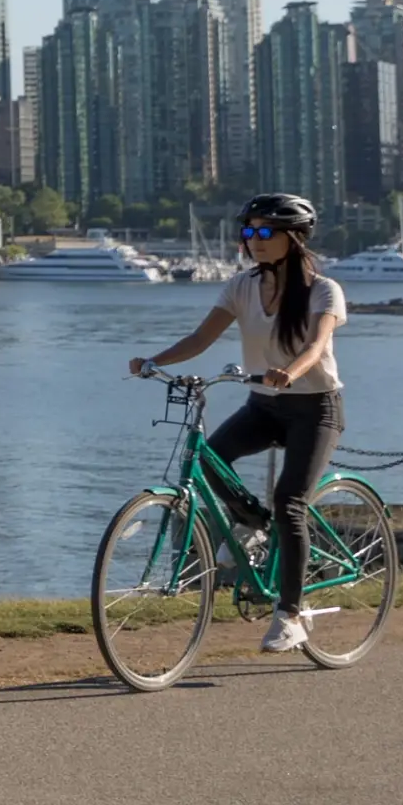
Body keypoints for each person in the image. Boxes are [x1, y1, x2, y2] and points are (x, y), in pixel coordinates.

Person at [130, 191, 344, 653]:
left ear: (295, 237)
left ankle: (290, 615)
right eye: (249, 231)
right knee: (209, 460)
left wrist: (291, 372)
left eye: (266, 232)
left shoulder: (323, 290)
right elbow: (201, 338)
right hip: (263, 406)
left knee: (290, 501)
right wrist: (153, 361)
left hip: (315, 408)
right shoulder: (241, 286)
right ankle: (251, 524)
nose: (255, 240)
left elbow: (315, 345)